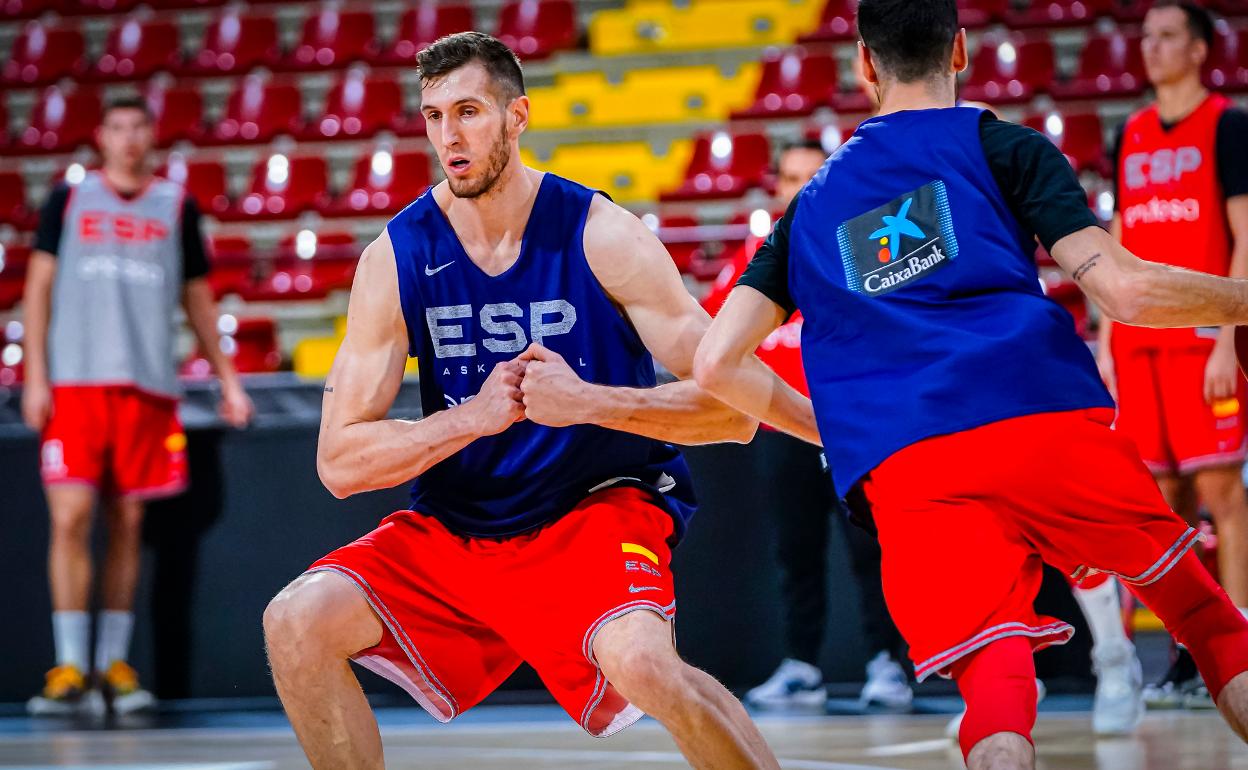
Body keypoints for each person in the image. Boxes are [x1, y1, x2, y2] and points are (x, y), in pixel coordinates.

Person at [693, 2, 1248, 768]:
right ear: (960, 51)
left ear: (862, 63)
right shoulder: (1003, 146)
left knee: (995, 689)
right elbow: (1125, 292)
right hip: (1038, 419)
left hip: (909, 468)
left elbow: (716, 360)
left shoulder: (809, 206)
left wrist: (840, 429)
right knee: (1208, 621)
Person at [261, 33, 779, 770]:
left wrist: (589, 401)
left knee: (646, 666)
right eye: (434, 116)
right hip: (459, 526)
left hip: (591, 510)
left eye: (469, 111)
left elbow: (734, 411)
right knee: (295, 621)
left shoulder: (601, 234)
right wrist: (471, 418)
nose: (449, 136)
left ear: (517, 116)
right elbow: (340, 463)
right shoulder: (397, 256)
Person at [22, 98, 254, 715]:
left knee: (128, 527)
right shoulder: (68, 200)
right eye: (118, 128)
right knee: (70, 519)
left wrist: (229, 380)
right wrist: (35, 375)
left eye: (139, 128)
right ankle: (70, 668)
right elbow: (37, 290)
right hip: (74, 383)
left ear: (152, 136)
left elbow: (199, 300)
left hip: (148, 387)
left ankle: (111, 668)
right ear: (101, 137)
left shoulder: (175, 205)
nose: (129, 139)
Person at [705, 141, 912, 710]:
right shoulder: (753, 255)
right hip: (780, 431)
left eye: (808, 176)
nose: (797, 186)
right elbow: (715, 335)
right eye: (789, 176)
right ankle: (801, 667)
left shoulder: (860, 244)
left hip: (850, 427)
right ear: (775, 187)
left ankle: (886, 665)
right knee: (795, 553)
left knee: (869, 549)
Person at [1096, 0, 1248, 709]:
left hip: (1201, 345)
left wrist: (1228, 335)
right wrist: (1103, 340)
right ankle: (1183, 659)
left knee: (1222, 492)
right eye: (1146, 37)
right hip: (1139, 343)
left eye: (1167, 37)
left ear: (1199, 49)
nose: (1151, 48)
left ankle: (1239, 645)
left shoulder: (1230, 124)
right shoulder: (1126, 133)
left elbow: (1246, 233)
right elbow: (1116, 241)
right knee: (1164, 506)